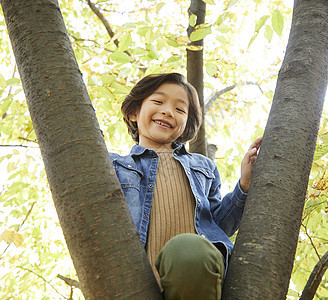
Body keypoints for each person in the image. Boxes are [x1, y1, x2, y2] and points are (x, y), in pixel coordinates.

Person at [109, 73, 262, 299]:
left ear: (186, 126)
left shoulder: (203, 167)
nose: (168, 111)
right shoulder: (115, 166)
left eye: (180, 110)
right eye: (158, 102)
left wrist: (244, 185)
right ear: (134, 113)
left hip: (196, 277)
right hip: (139, 282)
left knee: (187, 248)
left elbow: (217, 224)